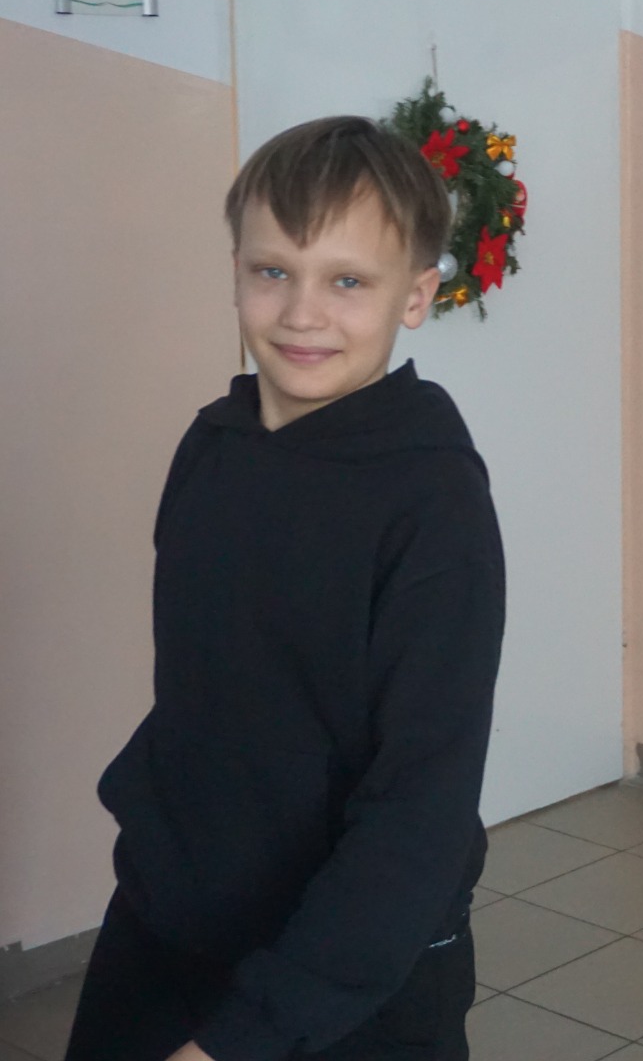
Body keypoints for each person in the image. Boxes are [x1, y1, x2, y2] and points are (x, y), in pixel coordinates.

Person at [65, 117, 507, 1061]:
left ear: (417, 295)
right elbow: (201, 689)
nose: (303, 313)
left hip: (347, 971)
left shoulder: (433, 501)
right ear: (236, 273)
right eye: (274, 271)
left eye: (348, 281)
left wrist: (251, 1035)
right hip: (170, 923)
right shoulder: (211, 446)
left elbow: (419, 808)